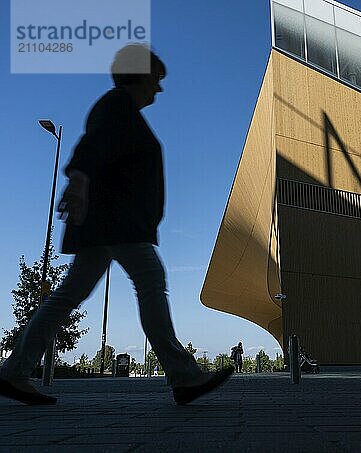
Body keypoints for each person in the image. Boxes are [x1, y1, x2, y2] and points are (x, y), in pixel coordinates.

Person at [0, 44, 232, 406]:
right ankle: (184, 376)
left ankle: (13, 373)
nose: (160, 87)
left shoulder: (120, 109)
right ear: (139, 76)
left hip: (108, 223)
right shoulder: (115, 106)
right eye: (157, 79)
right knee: (150, 280)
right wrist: (77, 182)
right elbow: (90, 147)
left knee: (67, 297)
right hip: (114, 222)